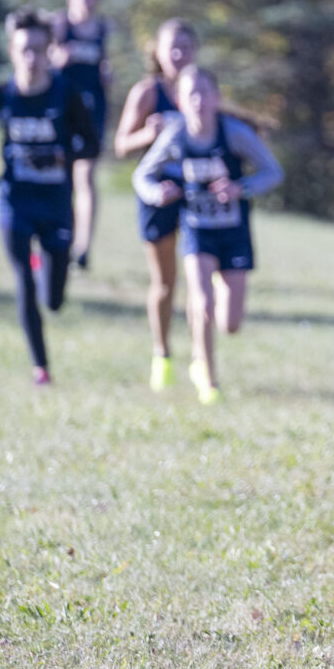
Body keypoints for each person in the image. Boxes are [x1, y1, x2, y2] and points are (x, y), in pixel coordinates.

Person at [0, 9, 95, 386]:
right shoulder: (2, 94)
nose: (30, 58)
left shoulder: (66, 93)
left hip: (55, 203)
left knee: (53, 299)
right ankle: (41, 367)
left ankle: (47, 266)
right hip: (15, 201)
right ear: (12, 52)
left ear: (50, 49)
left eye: (37, 49)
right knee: (23, 282)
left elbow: (91, 143)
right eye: (23, 50)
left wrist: (63, 155)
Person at [133, 64, 283, 403]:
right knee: (200, 301)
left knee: (230, 323)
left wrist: (240, 188)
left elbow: (273, 172)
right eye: (191, 94)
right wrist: (159, 194)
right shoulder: (174, 134)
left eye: (204, 93)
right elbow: (142, 176)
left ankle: (214, 316)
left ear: (216, 97)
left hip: (233, 231)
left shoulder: (233, 133)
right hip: (197, 230)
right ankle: (208, 378)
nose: (199, 101)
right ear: (180, 101)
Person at [113, 20, 200, 391]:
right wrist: (148, 134)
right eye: (171, 47)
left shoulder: (201, 87)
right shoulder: (148, 92)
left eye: (185, 46)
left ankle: (201, 357)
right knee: (165, 282)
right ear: (158, 52)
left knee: (200, 282)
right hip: (157, 193)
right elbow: (120, 144)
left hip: (197, 192)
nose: (178, 54)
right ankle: (162, 354)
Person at [51, 0, 114, 271]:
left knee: (86, 176)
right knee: (61, 179)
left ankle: (84, 247)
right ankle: (61, 237)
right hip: (61, 114)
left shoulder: (103, 30)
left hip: (93, 114)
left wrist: (107, 74)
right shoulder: (59, 26)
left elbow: (107, 66)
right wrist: (57, 60)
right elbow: (38, 63)